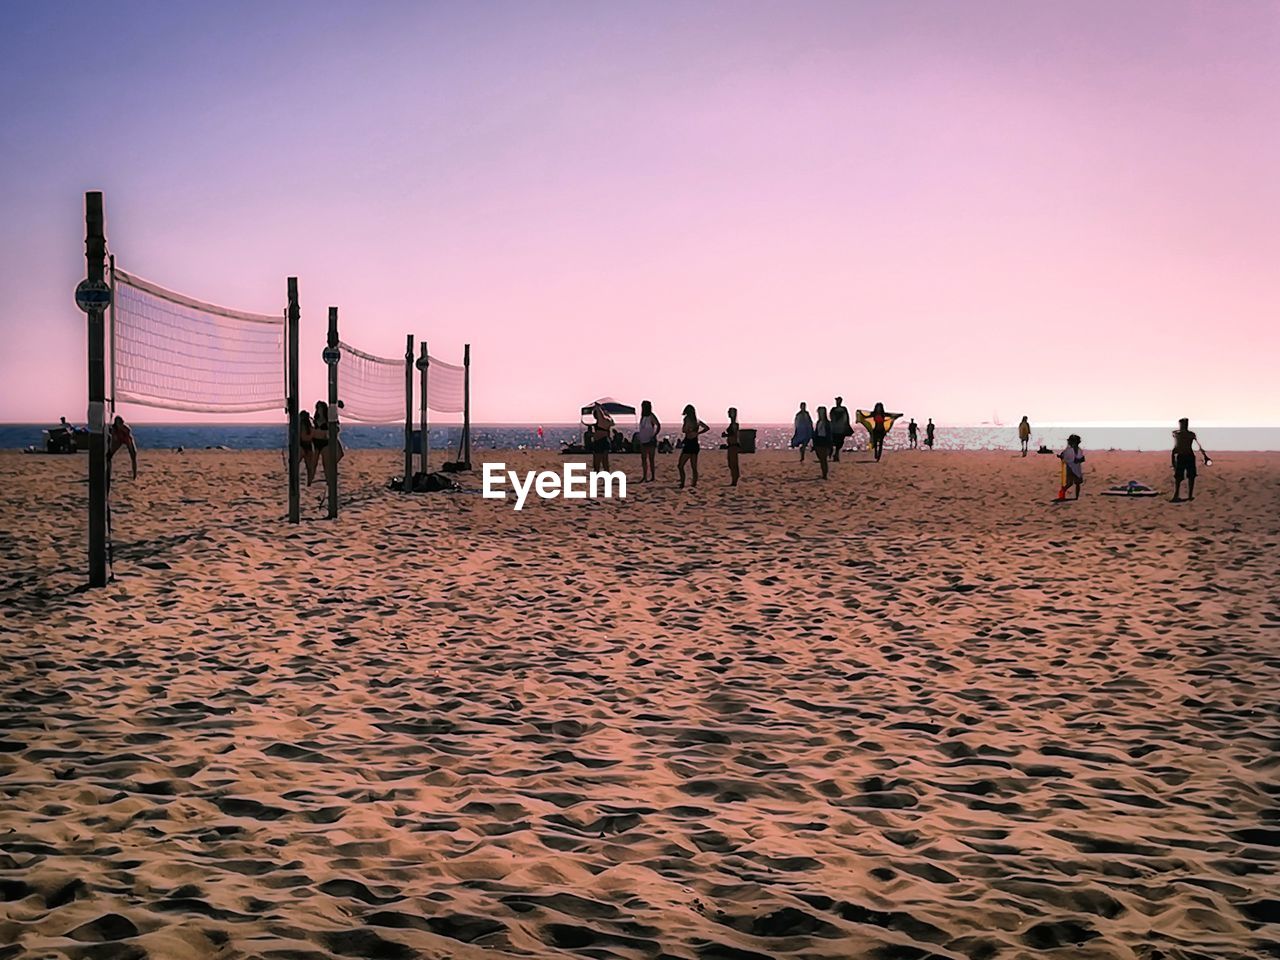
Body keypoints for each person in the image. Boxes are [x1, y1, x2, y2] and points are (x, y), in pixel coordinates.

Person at [1171, 418, 1210, 502]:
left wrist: (1204, 455)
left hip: (1188, 456)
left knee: (1191, 476)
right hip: (1181, 456)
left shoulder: (1183, 434)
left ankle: (1189, 495)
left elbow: (1199, 446)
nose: (1184, 426)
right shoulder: (1184, 434)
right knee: (1178, 477)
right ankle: (1177, 494)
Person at [677, 404, 709, 488]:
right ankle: (694, 483)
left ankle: (682, 482)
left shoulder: (687, 419)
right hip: (695, 443)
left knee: (680, 465)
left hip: (689, 443)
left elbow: (684, 430)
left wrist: (689, 430)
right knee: (693, 466)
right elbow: (706, 427)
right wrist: (698, 433)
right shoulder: (697, 420)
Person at [636, 400, 660, 482]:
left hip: (650, 440)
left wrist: (654, 435)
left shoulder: (651, 416)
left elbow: (658, 425)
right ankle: (644, 476)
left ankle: (652, 476)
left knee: (651, 459)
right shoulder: (643, 417)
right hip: (643, 440)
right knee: (643, 459)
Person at [1057, 433, 1085, 500]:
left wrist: (1079, 460)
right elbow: (1064, 456)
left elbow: (1082, 458)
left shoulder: (1079, 450)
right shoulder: (1068, 450)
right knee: (1069, 483)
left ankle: (1076, 497)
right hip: (1070, 468)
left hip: (1077, 468)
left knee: (1077, 483)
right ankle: (1063, 491)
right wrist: (1061, 456)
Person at [108, 415, 137, 479]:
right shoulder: (114, 429)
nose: (120, 424)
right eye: (118, 423)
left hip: (127, 439)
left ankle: (134, 475)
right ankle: (108, 472)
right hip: (119, 439)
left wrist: (122, 429)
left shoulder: (126, 428)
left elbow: (128, 434)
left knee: (133, 455)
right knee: (109, 454)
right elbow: (114, 439)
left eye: (120, 422)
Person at [588, 402, 615, 473]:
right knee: (605, 462)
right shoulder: (608, 421)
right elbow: (612, 422)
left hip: (599, 442)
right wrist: (606, 413)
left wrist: (598, 406)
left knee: (596, 463)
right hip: (605, 441)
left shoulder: (601, 421)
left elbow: (600, 414)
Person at [812, 406, 833, 479]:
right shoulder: (818, 422)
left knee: (824, 459)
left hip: (825, 441)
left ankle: (825, 474)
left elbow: (829, 434)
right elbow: (816, 432)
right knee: (821, 459)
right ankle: (823, 473)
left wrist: (830, 444)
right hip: (819, 441)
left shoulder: (827, 423)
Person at [298, 409, 318, 485]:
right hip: (305, 445)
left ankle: (309, 481)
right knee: (309, 466)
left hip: (305, 445)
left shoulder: (307, 426)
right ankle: (309, 481)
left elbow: (306, 437)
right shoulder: (303, 426)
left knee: (309, 466)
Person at [723, 407, 742, 486]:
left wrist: (726, 434)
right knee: (731, 463)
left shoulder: (734, 424)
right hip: (731, 445)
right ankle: (734, 478)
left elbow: (734, 434)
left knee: (733, 463)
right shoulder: (732, 423)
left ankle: (735, 479)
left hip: (733, 446)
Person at [830, 397, 851, 461]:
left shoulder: (844, 409)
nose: (837, 402)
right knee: (833, 442)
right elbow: (831, 417)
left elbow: (847, 418)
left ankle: (836, 454)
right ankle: (834, 453)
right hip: (834, 428)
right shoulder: (833, 409)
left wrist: (847, 425)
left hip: (841, 428)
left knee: (839, 443)